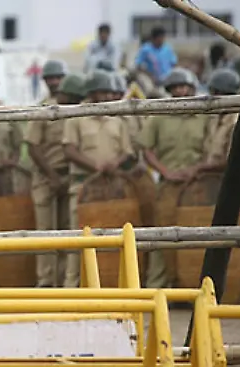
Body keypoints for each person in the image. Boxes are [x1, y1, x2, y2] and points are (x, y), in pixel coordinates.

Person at [139, 67, 211, 290]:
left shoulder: (205, 115)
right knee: (162, 237)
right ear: (170, 91)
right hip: (169, 185)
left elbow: (213, 148)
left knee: (199, 235)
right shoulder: (158, 116)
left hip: (198, 185)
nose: (181, 91)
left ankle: (196, 289)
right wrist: (164, 171)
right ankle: (157, 289)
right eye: (177, 87)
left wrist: (198, 169)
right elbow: (146, 149)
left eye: (185, 87)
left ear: (193, 89)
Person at [63, 70, 135, 288]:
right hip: (83, 184)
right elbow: (69, 150)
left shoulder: (117, 120)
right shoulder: (76, 117)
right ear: (91, 93)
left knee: (112, 234)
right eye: (102, 92)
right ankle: (71, 285)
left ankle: (110, 284)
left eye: (109, 92)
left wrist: (115, 164)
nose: (106, 97)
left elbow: (127, 152)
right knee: (78, 235)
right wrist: (94, 166)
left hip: (112, 186)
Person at [25, 73, 85, 287]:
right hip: (46, 176)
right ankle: (46, 280)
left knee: (69, 229)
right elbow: (32, 146)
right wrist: (52, 176)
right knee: (46, 230)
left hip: (70, 175)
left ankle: (65, 280)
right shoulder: (45, 110)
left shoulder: (79, 111)